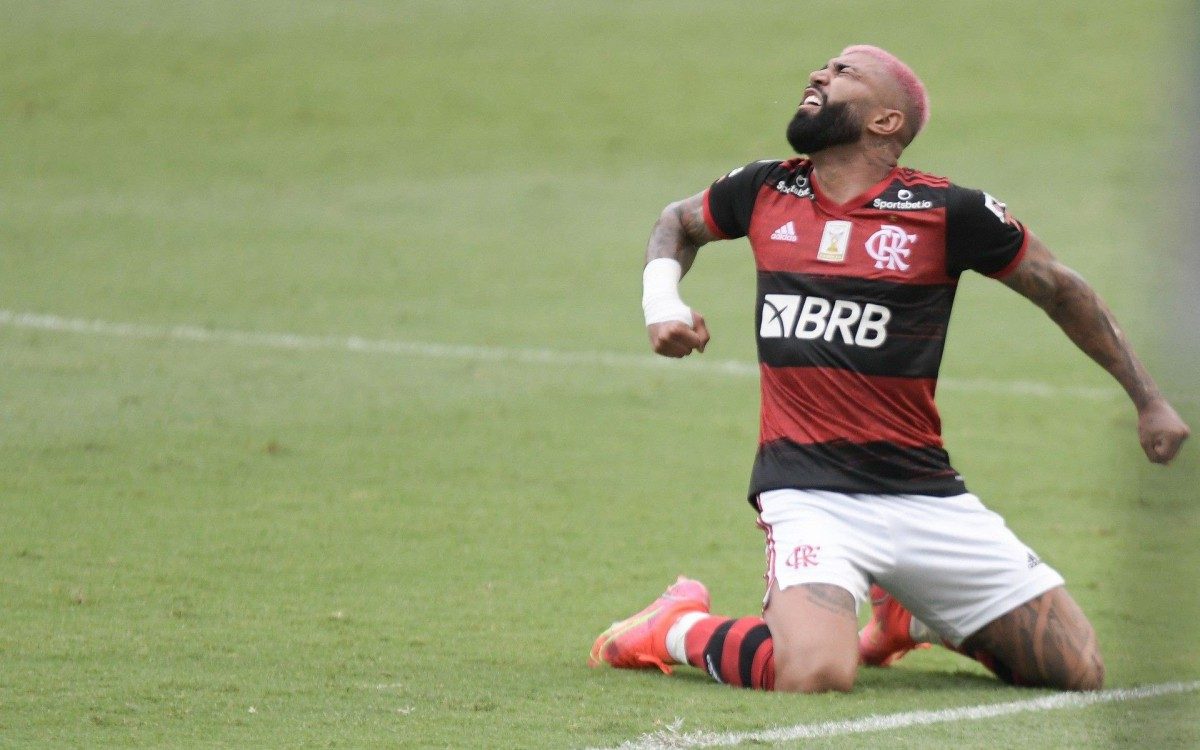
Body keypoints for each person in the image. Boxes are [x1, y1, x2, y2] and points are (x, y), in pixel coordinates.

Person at [587, 44, 1189, 693]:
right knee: (814, 673)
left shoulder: (947, 213)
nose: (819, 74)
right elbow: (676, 221)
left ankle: (911, 613)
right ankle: (675, 625)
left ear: (886, 122)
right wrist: (662, 304)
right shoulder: (763, 190)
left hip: (925, 493)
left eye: (845, 72)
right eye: (823, 66)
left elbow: (1060, 288)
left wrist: (1148, 398)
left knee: (1075, 670)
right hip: (809, 490)